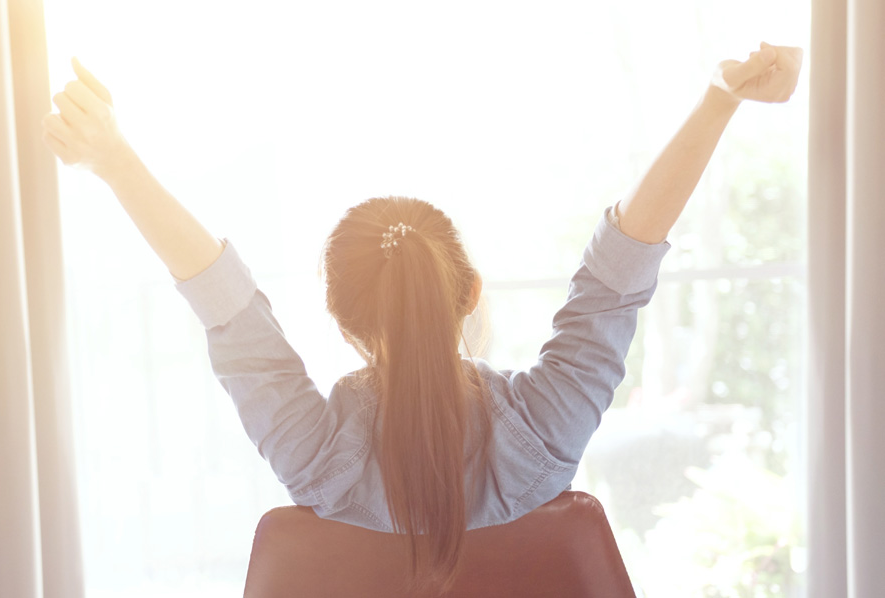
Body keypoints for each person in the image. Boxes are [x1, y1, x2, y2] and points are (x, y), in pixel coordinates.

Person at [42, 41, 802, 592]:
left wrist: (112, 157)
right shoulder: (545, 432)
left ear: (342, 322)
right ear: (469, 292)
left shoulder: (316, 457)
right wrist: (720, 96)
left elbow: (224, 307)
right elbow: (617, 276)